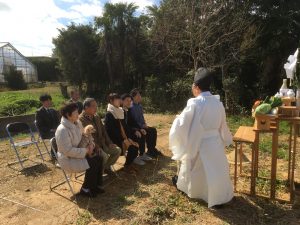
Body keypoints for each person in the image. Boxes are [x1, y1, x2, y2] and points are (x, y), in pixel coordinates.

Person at [169, 67, 233, 208]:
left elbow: (183, 124)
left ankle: (197, 192)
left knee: (196, 169)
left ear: (196, 87)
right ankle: (218, 197)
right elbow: (223, 124)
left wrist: (177, 119)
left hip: (200, 142)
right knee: (215, 169)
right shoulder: (218, 103)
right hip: (215, 143)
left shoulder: (195, 103)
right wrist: (226, 138)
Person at [55, 103, 104, 198]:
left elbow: (85, 135)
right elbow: (67, 151)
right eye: (76, 112)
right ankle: (85, 189)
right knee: (92, 162)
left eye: (78, 111)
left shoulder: (77, 123)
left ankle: (95, 186)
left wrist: (91, 144)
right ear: (68, 115)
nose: (78, 114)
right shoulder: (62, 130)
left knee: (99, 158)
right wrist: (86, 151)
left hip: (79, 152)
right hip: (68, 158)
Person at [79, 98, 121, 175]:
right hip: (91, 146)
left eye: (96, 106)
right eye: (93, 106)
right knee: (104, 157)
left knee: (117, 150)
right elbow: (87, 136)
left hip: (103, 143)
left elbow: (104, 131)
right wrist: (96, 146)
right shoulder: (81, 120)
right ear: (86, 107)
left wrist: (109, 142)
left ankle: (104, 168)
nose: (96, 108)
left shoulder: (97, 116)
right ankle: (97, 174)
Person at [105, 93, 139, 173]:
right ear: (111, 101)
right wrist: (123, 140)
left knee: (135, 144)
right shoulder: (109, 114)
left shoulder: (120, 111)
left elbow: (125, 127)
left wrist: (129, 138)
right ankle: (127, 166)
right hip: (115, 139)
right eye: (116, 99)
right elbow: (111, 131)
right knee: (132, 147)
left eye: (119, 99)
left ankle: (128, 164)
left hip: (123, 137)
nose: (119, 101)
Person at [130, 89, 163, 158]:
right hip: (136, 127)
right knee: (147, 132)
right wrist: (141, 126)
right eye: (138, 95)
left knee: (153, 130)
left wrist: (144, 124)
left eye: (140, 95)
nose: (140, 97)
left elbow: (141, 117)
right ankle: (146, 152)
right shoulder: (131, 107)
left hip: (142, 126)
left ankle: (152, 149)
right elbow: (133, 121)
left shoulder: (139, 106)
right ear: (133, 97)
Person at [121, 93, 152, 166]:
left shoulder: (128, 110)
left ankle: (142, 154)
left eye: (130, 100)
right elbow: (124, 126)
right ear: (122, 101)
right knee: (137, 136)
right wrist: (135, 131)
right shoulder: (121, 111)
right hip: (124, 133)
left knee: (142, 133)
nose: (129, 102)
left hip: (129, 130)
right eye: (127, 100)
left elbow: (133, 122)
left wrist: (140, 129)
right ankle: (134, 158)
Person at [35, 94, 60, 159]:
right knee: (56, 136)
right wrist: (50, 130)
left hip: (55, 130)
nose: (50, 102)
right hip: (46, 132)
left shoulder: (53, 110)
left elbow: (58, 122)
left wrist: (58, 128)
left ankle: (62, 152)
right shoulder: (39, 112)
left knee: (64, 133)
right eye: (48, 101)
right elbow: (40, 126)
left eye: (50, 100)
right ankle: (54, 154)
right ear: (43, 102)